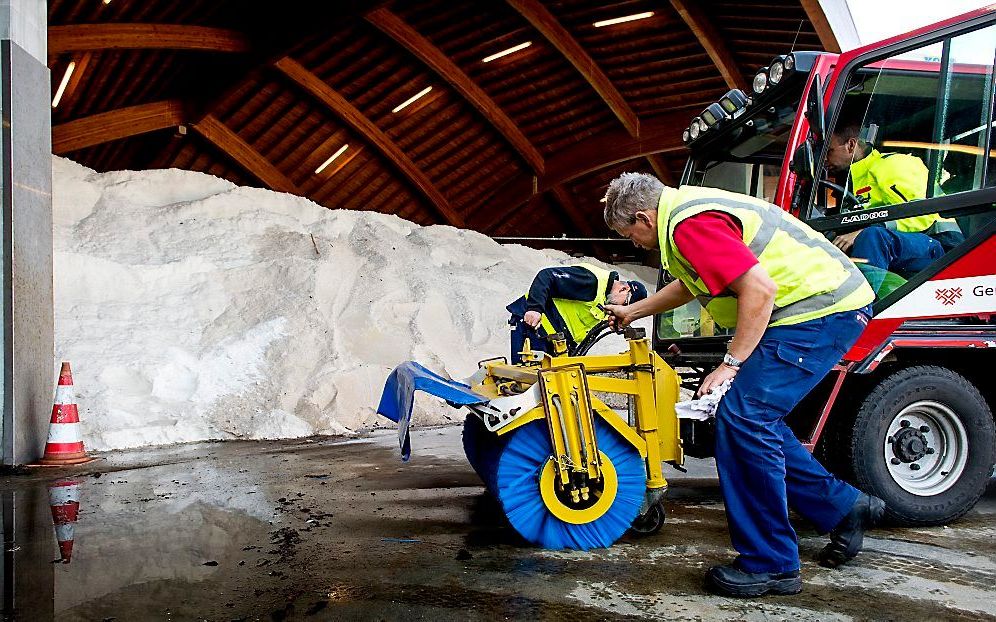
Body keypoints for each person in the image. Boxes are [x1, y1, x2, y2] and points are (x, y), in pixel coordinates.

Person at [601, 172, 883, 598]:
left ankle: (771, 564)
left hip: (819, 311)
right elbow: (690, 284)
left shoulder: (688, 225)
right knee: (752, 421)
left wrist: (730, 365)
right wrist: (635, 310)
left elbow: (759, 290)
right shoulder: (684, 217)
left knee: (743, 418)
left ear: (643, 217)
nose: (635, 244)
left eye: (630, 234)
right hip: (807, 313)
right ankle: (842, 505)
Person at [825, 118, 963, 276]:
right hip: (907, 246)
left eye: (830, 151)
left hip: (941, 246)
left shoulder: (894, 164)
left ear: (851, 145)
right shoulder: (857, 178)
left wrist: (861, 232)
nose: (824, 159)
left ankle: (865, 300)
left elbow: (921, 215)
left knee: (872, 237)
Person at [507, 263, 647, 363]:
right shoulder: (591, 281)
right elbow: (547, 275)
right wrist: (535, 308)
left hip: (555, 341)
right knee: (526, 379)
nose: (622, 310)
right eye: (626, 304)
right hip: (533, 327)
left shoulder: (607, 302)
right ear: (624, 289)